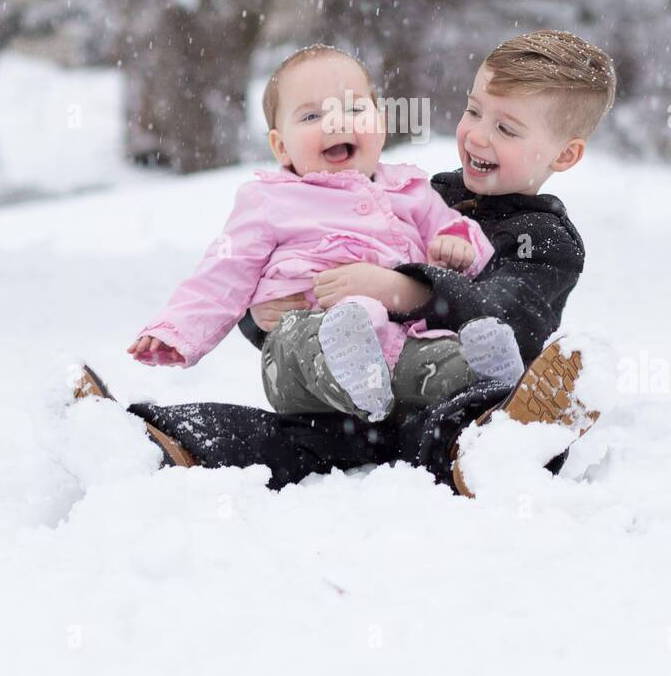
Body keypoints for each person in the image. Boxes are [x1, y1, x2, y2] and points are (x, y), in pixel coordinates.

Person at [75, 30, 615, 498]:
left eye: (507, 129)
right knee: (279, 436)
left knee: (451, 418)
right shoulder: (421, 190)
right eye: (474, 111)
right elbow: (272, 261)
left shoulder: (546, 241)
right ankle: (150, 438)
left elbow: (508, 315)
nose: (476, 134)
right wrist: (259, 312)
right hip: (335, 386)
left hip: (426, 402)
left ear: (563, 155)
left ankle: (501, 447)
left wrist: (406, 291)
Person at [127, 44, 527, 423]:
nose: (337, 122)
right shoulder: (271, 200)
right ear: (281, 147)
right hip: (299, 342)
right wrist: (177, 330)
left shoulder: (409, 191)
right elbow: (223, 271)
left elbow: (459, 234)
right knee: (303, 338)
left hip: (398, 340)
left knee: (434, 362)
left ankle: (489, 380)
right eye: (312, 117)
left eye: (353, 108)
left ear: (380, 124)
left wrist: (457, 245)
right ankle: (347, 360)